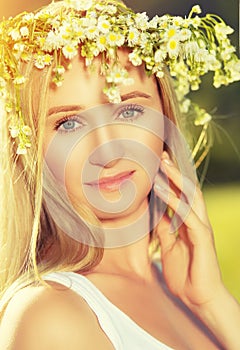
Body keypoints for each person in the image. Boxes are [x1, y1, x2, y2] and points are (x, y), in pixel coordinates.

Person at [0, 1, 240, 349]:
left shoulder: (185, 287)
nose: (108, 151)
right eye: (69, 123)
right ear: (32, 150)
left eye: (128, 109)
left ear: (165, 116)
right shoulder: (50, 316)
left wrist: (213, 302)